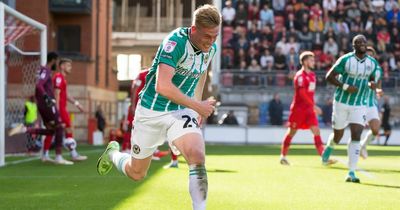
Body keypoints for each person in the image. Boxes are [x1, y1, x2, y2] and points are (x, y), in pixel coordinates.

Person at [97, 5, 220, 210]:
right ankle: (113, 155)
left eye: (215, 36)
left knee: (197, 156)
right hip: (151, 111)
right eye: (207, 36)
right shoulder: (175, 42)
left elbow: (202, 73)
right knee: (137, 173)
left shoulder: (211, 48)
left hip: (181, 111)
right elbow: (162, 86)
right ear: (194, 29)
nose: (211, 41)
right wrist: (197, 104)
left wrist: (196, 107)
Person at [321, 35, 379, 183]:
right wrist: (345, 86)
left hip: (359, 104)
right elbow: (329, 76)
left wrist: (372, 84)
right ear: (353, 45)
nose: (362, 44)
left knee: (356, 134)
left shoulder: (372, 63)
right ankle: (328, 148)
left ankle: (351, 172)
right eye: (359, 43)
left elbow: (373, 79)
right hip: (341, 102)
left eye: (364, 42)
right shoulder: (346, 60)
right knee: (338, 135)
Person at [8, 52, 73, 165]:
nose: (56, 65)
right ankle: (58, 157)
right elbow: (39, 85)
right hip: (47, 103)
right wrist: (46, 97)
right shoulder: (46, 70)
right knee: (60, 126)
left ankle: (24, 129)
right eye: (56, 62)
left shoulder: (43, 70)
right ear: (53, 60)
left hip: (42, 104)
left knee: (51, 131)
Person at [279, 51, 335, 165]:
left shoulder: (312, 75)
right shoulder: (299, 76)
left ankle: (324, 158)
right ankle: (283, 156)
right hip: (298, 110)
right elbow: (302, 94)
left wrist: (312, 106)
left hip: (309, 110)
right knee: (291, 132)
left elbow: (309, 93)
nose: (313, 62)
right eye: (311, 60)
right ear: (305, 62)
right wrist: (314, 106)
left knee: (316, 131)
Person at [52, 58, 87, 161]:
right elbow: (57, 94)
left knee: (67, 128)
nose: (70, 68)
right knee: (68, 128)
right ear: (62, 66)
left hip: (62, 108)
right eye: (68, 66)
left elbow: (65, 95)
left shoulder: (63, 78)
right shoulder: (58, 77)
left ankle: (69, 152)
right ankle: (72, 154)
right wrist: (57, 111)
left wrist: (77, 104)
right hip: (60, 108)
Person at [360, 47, 383, 159]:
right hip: (358, 102)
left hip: (371, 103)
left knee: (375, 129)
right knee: (356, 130)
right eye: (367, 55)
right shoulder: (358, 68)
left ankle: (363, 145)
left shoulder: (378, 69)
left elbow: (378, 83)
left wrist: (378, 90)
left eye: (371, 55)